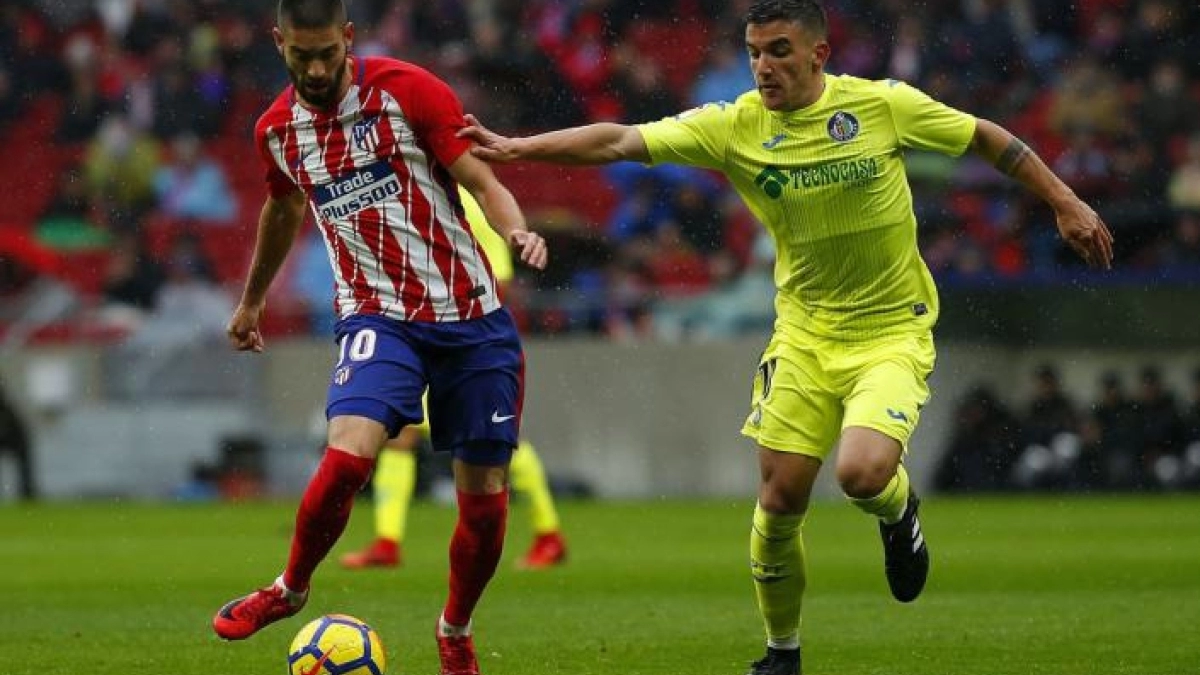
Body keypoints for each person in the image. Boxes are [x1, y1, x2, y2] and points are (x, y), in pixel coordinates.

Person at [458, 2, 1113, 673]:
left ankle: (897, 508)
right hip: (803, 336)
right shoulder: (736, 125)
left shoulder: (881, 107)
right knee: (778, 502)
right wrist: (518, 147)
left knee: (861, 473)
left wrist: (1064, 198)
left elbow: (985, 137)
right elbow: (623, 140)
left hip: (889, 332)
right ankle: (782, 653)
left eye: (777, 51)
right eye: (754, 52)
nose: (763, 67)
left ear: (818, 55)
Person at [211, 6, 548, 675]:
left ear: (349, 41)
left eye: (327, 54)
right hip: (377, 316)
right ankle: (289, 588)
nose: (315, 68)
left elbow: (483, 177)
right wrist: (250, 301)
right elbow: (283, 208)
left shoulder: (407, 90)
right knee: (348, 458)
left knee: (482, 499)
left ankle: (455, 628)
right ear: (280, 43)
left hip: (471, 318)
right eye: (301, 55)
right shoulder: (277, 130)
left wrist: (514, 229)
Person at [338, 188, 567, 571]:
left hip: (463, 339)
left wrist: (457, 329)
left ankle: (549, 534)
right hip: (420, 335)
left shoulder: (464, 197)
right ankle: (387, 541)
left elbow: (499, 280)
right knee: (400, 435)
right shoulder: (412, 191)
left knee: (498, 440)